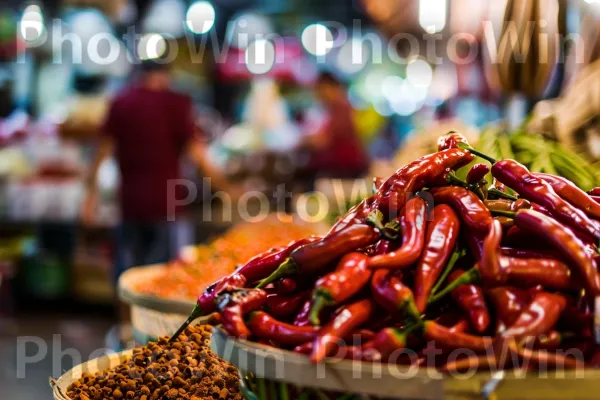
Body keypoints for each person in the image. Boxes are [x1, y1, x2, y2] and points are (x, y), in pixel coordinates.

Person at [82, 59, 238, 281]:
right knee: (166, 277)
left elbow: (101, 153)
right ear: (165, 75)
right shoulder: (176, 103)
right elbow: (198, 155)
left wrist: (90, 197)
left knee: (127, 277)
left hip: (129, 204)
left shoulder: (121, 102)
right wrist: (225, 189)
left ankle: (125, 316)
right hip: (167, 205)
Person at [306, 71, 369, 178]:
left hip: (346, 167)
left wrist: (304, 141)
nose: (319, 95)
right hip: (342, 166)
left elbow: (325, 140)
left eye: (321, 89)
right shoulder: (335, 108)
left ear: (333, 87)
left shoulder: (341, 107)